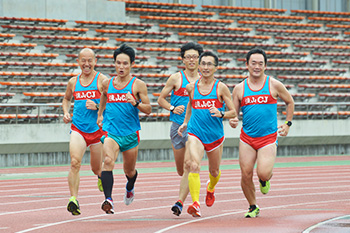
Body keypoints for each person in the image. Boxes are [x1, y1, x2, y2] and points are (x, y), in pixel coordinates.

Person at [229, 48, 295, 218]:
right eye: (253, 63)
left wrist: (287, 124)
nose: (256, 66)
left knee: (263, 173)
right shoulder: (239, 88)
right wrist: (233, 120)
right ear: (247, 64)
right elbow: (233, 114)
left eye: (260, 63)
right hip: (247, 138)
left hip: (268, 138)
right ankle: (252, 206)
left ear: (265, 66)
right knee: (245, 173)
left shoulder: (274, 84)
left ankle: (264, 180)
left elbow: (290, 102)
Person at [178, 51, 238, 217]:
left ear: (215, 67)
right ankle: (196, 203)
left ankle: (210, 188)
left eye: (209, 64)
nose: (205, 67)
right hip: (195, 133)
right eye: (202, 63)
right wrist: (185, 122)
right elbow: (191, 105)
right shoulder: (191, 87)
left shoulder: (221, 88)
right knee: (193, 165)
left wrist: (221, 114)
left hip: (215, 136)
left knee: (214, 171)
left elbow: (233, 111)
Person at [97, 44, 151, 214]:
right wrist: (100, 114)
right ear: (114, 63)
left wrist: (135, 103)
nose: (121, 67)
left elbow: (148, 109)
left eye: (125, 64)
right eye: (118, 63)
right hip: (110, 131)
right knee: (108, 161)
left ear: (132, 64)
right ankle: (109, 199)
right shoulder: (107, 83)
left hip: (130, 134)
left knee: (129, 170)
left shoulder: (138, 85)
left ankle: (130, 185)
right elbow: (104, 97)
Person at [157, 42, 203, 216]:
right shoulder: (176, 78)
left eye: (195, 57)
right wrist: (171, 108)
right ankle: (186, 196)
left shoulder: (204, 80)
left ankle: (181, 202)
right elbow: (161, 99)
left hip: (195, 128)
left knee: (190, 165)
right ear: (183, 59)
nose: (191, 60)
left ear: (199, 59)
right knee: (180, 169)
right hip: (177, 127)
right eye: (188, 57)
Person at [62, 48, 109, 216]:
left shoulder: (102, 80)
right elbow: (66, 99)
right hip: (78, 129)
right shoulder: (73, 82)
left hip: (97, 132)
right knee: (75, 162)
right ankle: (73, 199)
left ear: (95, 61)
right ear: (78, 62)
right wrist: (66, 112)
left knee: (97, 169)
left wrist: (97, 107)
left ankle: (99, 177)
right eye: (83, 60)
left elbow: (113, 103)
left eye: (90, 61)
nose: (87, 64)